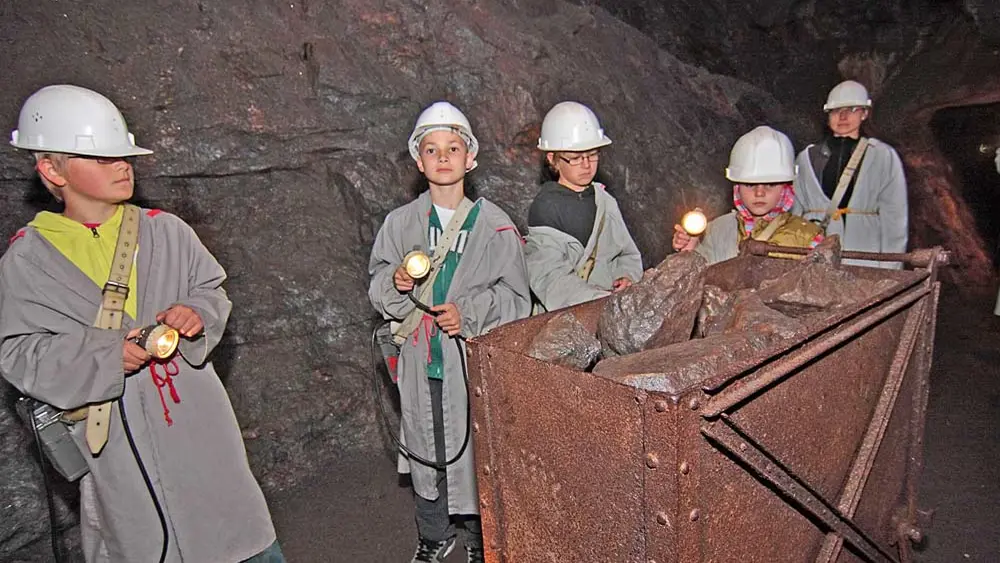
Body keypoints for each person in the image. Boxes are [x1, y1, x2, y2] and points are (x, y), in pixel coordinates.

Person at [0, 85, 282, 562]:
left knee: (241, 539)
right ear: (52, 170)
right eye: (103, 158)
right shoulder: (28, 259)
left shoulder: (165, 230)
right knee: (143, 540)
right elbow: (19, 352)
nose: (122, 166)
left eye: (123, 155)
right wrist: (105, 356)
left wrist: (197, 312)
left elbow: (210, 289)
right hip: (114, 446)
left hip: (196, 424)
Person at [367, 101, 531, 563]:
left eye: (453, 148)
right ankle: (435, 534)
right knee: (425, 447)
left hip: (471, 362)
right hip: (421, 359)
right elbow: (377, 288)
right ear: (419, 162)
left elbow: (519, 299)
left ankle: (484, 542)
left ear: (470, 158)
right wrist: (396, 284)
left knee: (479, 451)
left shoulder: (496, 227)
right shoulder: (399, 225)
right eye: (432, 149)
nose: (443, 157)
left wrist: (470, 312)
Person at [524, 101, 643, 312]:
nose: (587, 165)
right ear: (553, 159)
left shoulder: (604, 201)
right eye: (576, 158)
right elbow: (549, 277)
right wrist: (597, 299)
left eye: (592, 155)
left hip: (611, 308)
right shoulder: (546, 208)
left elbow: (627, 254)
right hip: (567, 316)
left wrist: (626, 277)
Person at [792, 80, 908, 269]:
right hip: (815, 251)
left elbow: (895, 218)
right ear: (828, 115)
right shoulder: (807, 158)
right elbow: (795, 211)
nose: (843, 116)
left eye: (852, 109)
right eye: (836, 111)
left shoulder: (882, 156)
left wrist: (891, 268)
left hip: (865, 251)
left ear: (864, 113)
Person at [672, 126, 823, 263]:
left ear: (785, 187)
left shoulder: (809, 238)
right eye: (750, 184)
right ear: (737, 186)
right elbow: (696, 283)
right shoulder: (717, 231)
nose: (759, 193)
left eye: (771, 184)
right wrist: (690, 251)